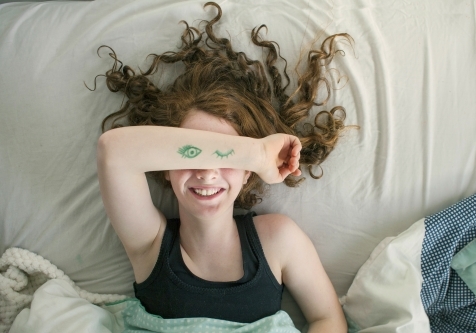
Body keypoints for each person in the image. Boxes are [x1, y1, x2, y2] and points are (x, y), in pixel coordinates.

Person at [93, 2, 351, 332]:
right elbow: (112, 151)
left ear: (247, 171)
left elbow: (327, 319)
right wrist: (256, 153)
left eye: (227, 157)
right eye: (190, 154)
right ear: (166, 167)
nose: (207, 172)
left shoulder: (279, 240)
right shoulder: (150, 244)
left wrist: (251, 156)